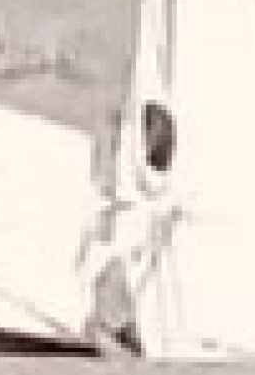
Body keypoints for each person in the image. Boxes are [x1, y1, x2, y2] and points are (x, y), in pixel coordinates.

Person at [76, 101, 179, 357]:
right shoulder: (145, 205)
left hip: (117, 315)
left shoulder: (133, 215)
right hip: (122, 314)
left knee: (98, 327)